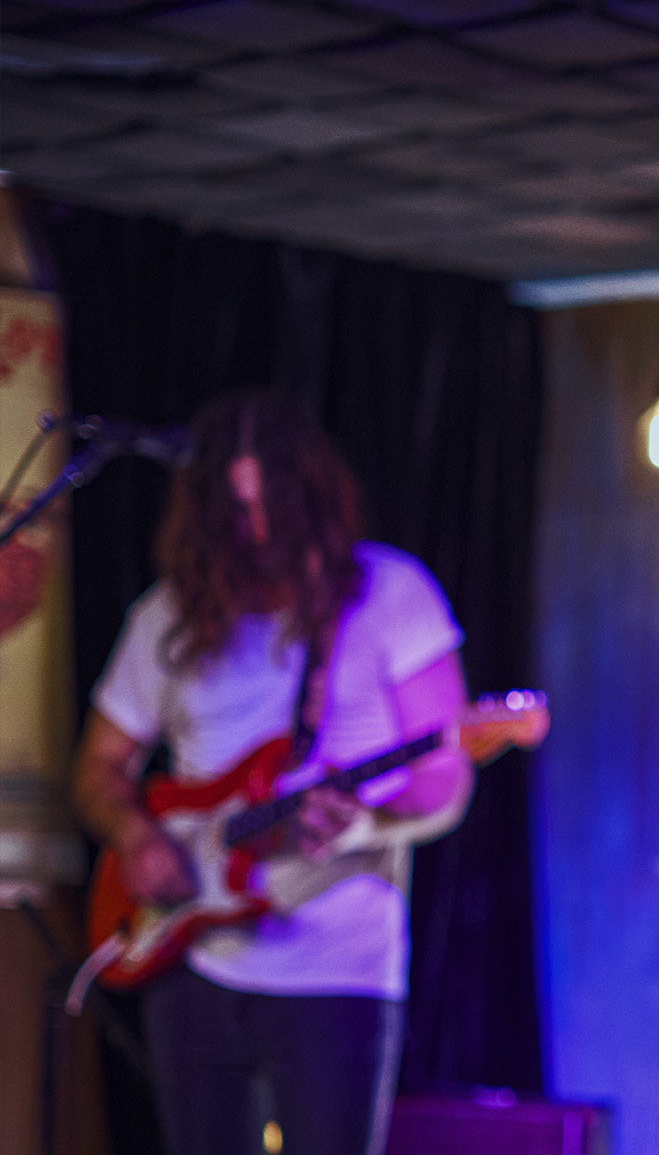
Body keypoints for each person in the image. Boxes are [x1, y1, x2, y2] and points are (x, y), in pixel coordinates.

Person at [72, 390, 473, 1155]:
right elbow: (99, 767)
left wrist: (363, 823)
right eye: (236, 514)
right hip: (192, 959)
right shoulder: (166, 617)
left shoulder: (391, 596)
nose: (258, 532)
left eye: (274, 509)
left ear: (314, 501)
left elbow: (445, 780)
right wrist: (136, 834)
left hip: (337, 970)